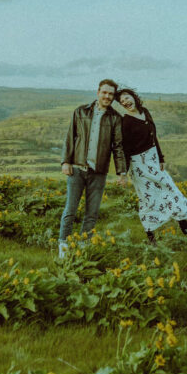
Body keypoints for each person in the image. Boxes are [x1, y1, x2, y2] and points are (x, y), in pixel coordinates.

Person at [113, 87, 187, 244]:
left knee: (170, 188)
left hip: (153, 158)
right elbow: (124, 149)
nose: (125, 102)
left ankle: (183, 222)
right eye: (122, 101)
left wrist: (160, 157)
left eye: (127, 97)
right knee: (148, 200)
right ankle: (150, 236)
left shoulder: (145, 111)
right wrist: (123, 173)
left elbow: (154, 136)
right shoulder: (125, 122)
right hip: (139, 164)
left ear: (133, 96)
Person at [58, 79, 127, 258]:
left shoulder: (115, 118)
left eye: (111, 94)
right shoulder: (80, 112)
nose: (107, 96)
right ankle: (63, 250)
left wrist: (122, 172)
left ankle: (82, 248)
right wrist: (65, 161)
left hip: (99, 173)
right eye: (104, 92)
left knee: (92, 214)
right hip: (77, 170)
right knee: (70, 211)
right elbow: (70, 137)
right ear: (98, 92)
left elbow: (118, 147)